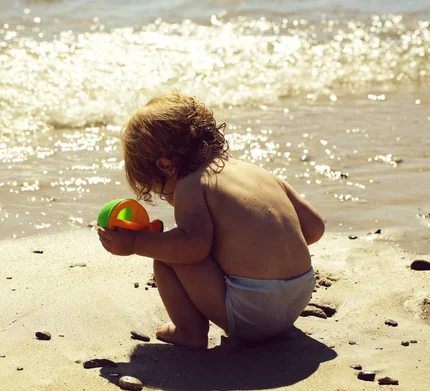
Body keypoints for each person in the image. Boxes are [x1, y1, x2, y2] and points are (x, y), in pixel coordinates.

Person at [97, 92, 325, 349]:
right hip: (300, 293)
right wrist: (263, 249)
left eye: (159, 190)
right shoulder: (257, 171)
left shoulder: (191, 186)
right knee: (201, 245)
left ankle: (189, 332)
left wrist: (136, 242)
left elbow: (191, 248)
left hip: (254, 313)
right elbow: (315, 228)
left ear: (165, 166)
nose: (166, 198)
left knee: (168, 255)